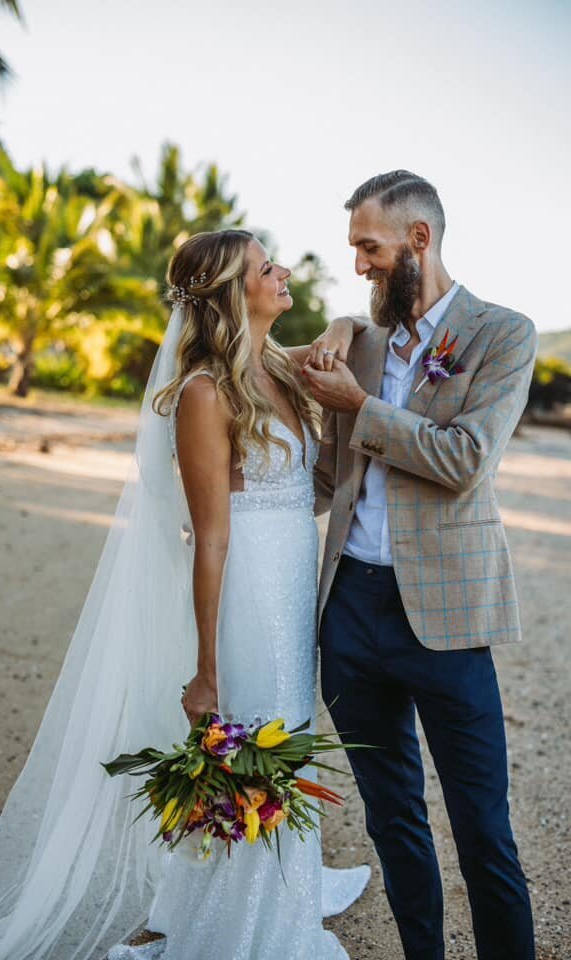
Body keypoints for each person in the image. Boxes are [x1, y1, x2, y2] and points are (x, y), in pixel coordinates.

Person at [0, 228, 368, 960]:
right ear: (234, 293)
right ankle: (244, 933)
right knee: (250, 745)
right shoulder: (204, 392)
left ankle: (267, 903)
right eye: (267, 268)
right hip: (247, 595)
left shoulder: (277, 367)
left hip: (293, 590)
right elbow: (212, 537)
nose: (283, 271)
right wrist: (204, 666)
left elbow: (355, 327)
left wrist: (339, 326)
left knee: (283, 735)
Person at [304, 170, 537, 960]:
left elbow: (465, 458)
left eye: (368, 247)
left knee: (483, 832)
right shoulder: (358, 343)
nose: (359, 265)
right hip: (351, 617)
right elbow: (325, 475)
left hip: (446, 618)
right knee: (392, 819)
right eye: (354, 251)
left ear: (419, 239)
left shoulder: (504, 333)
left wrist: (359, 410)